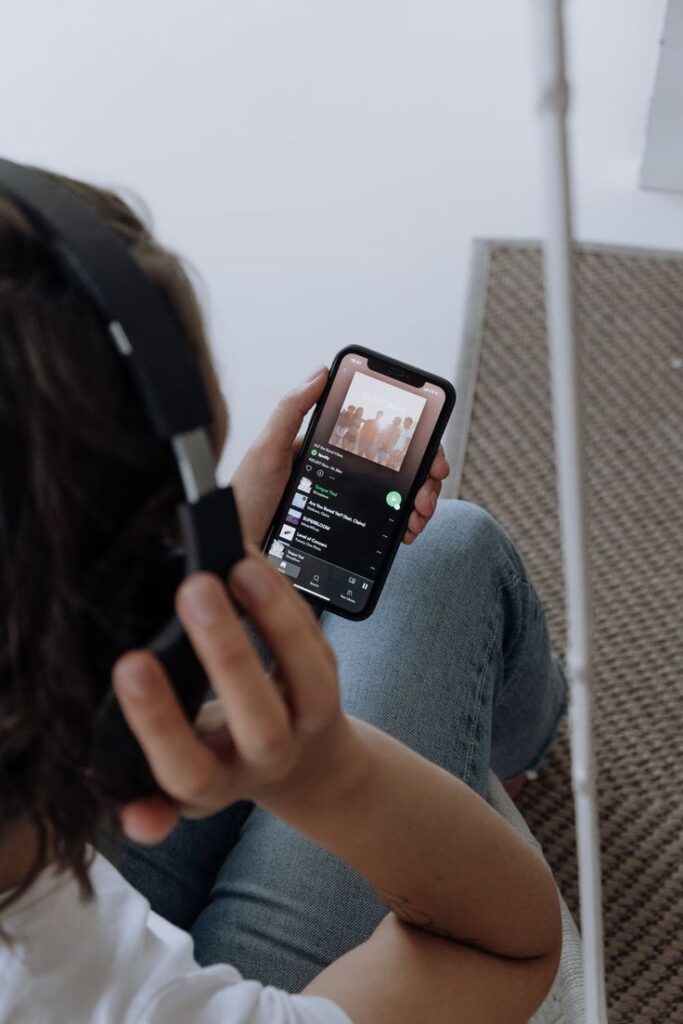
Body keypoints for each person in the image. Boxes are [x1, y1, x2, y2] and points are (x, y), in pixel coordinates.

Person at [0, 169, 565, 1024]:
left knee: (398, 562)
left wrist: (220, 539)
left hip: (84, 867)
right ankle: (506, 768)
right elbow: (499, 943)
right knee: (448, 551)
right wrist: (323, 773)